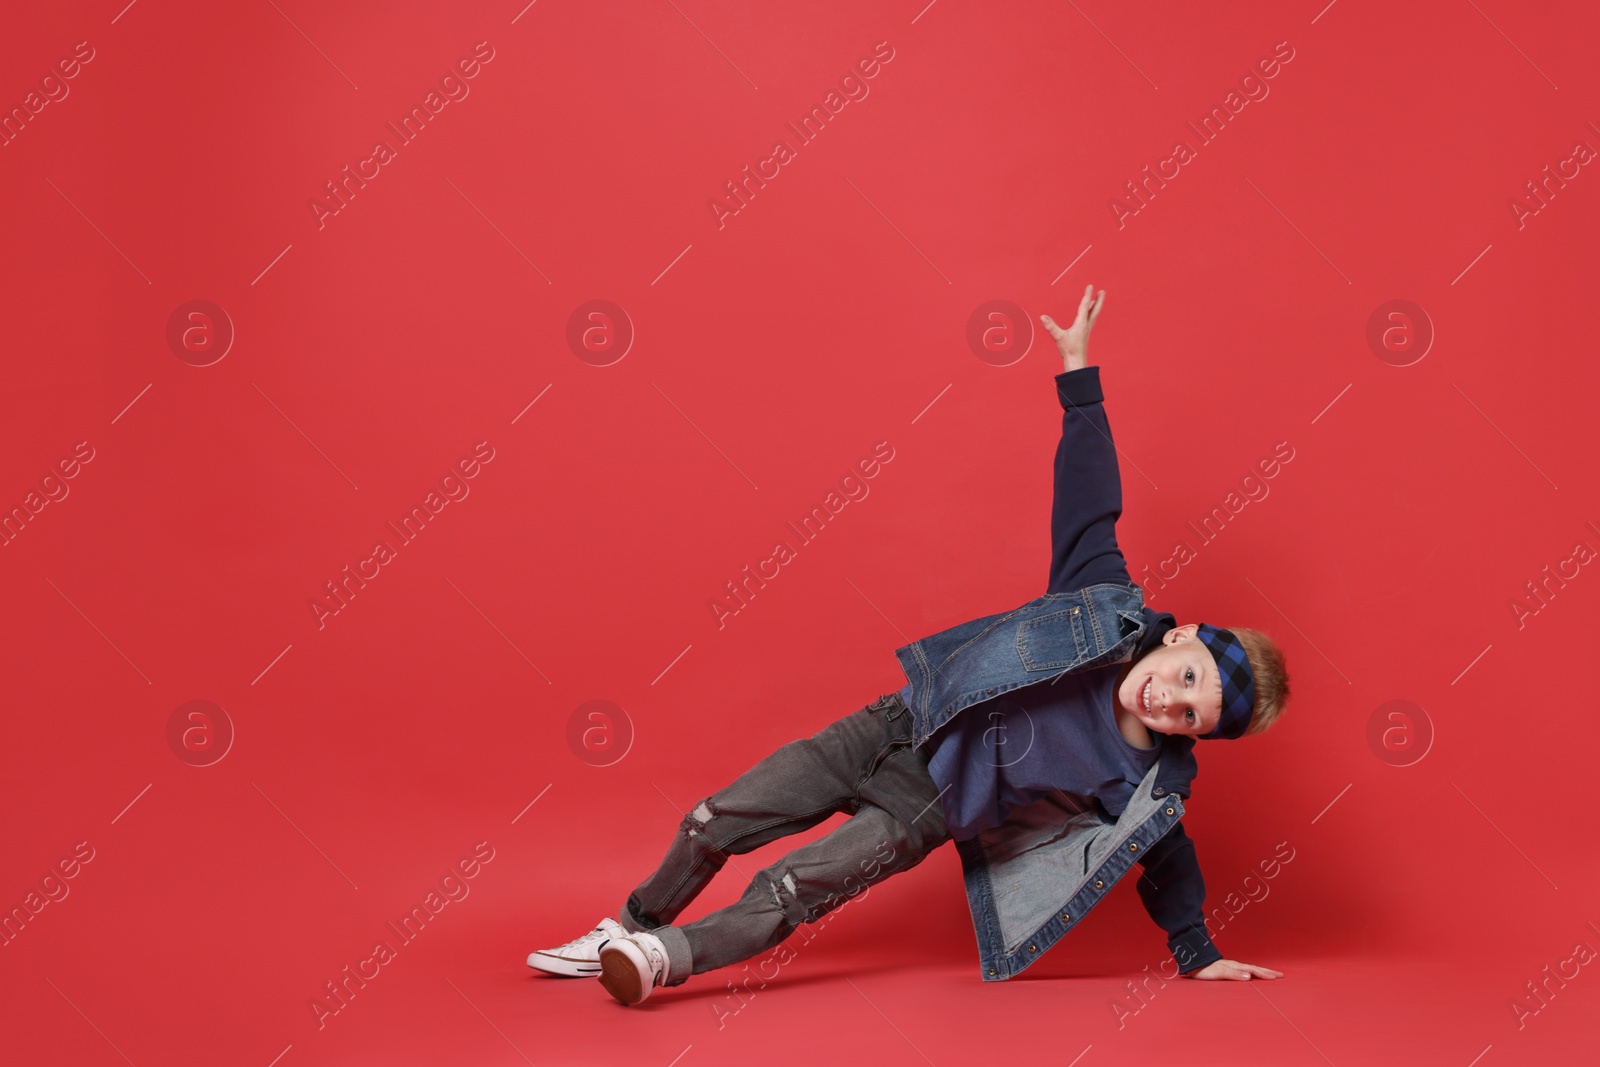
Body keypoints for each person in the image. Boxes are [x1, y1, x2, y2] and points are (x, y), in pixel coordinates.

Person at [528, 284, 1290, 1006]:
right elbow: (1090, 505)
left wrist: (1195, 948)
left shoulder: (1144, 779)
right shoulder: (1101, 606)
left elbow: (1166, 857)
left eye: (1191, 715)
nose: (1171, 700)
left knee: (797, 886)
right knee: (711, 819)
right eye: (1186, 676)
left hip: (927, 805)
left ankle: (666, 958)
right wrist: (1079, 379)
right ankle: (629, 926)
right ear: (1180, 636)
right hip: (889, 724)